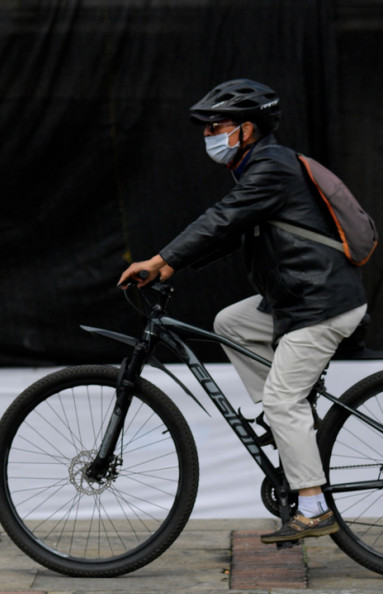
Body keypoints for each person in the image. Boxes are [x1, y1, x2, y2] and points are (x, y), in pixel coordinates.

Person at [117, 78, 368, 544]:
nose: (209, 134)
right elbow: (231, 233)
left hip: (321, 304)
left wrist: (161, 259)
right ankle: (286, 422)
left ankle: (313, 507)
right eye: (207, 127)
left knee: (282, 399)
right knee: (231, 321)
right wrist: (175, 267)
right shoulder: (259, 169)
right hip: (299, 298)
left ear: (247, 129)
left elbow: (222, 218)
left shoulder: (271, 167)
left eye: (218, 126)